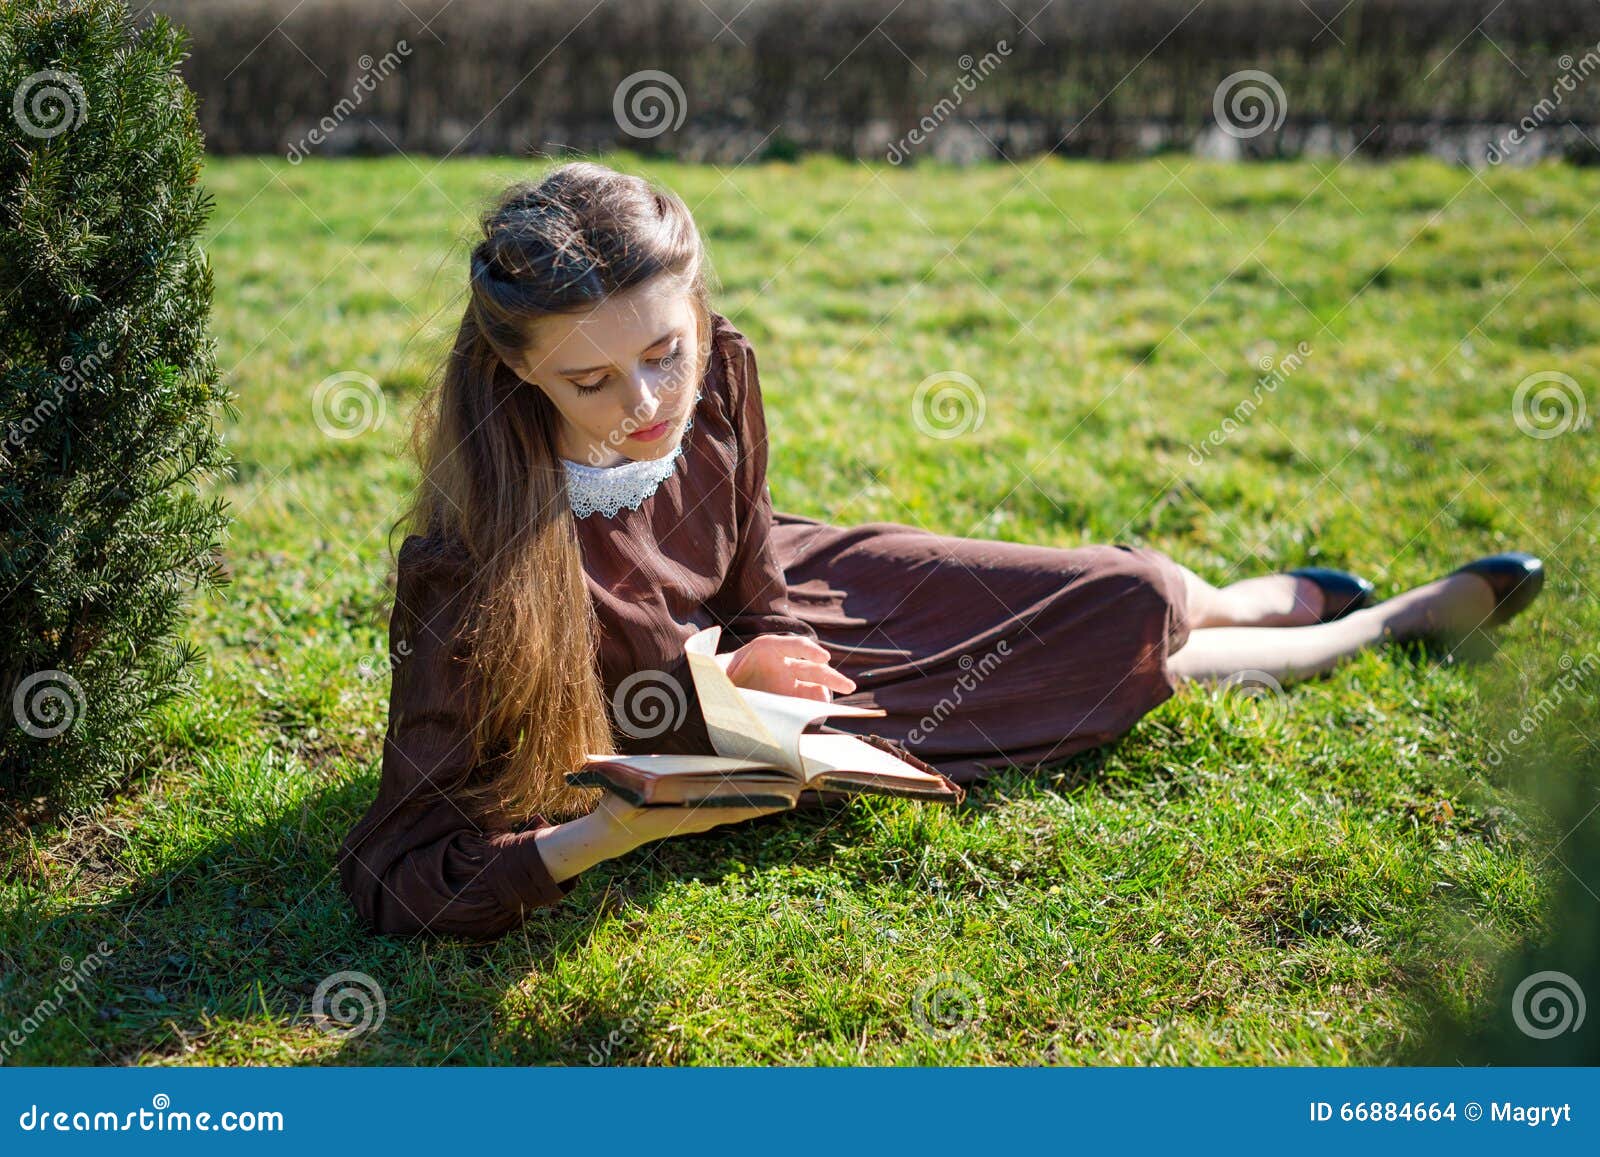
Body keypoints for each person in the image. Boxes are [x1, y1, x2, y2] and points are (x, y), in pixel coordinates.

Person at [338, 161, 1544, 939]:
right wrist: (596, 834)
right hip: (690, 726)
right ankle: (1365, 627)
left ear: (695, 309)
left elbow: (749, 535)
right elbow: (393, 870)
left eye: (666, 349)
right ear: (515, 369)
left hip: (788, 615)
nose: (648, 399)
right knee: (1090, 670)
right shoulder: (465, 571)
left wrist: (772, 633)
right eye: (590, 380)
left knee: (1123, 583)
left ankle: (1213, 592)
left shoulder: (720, 370)